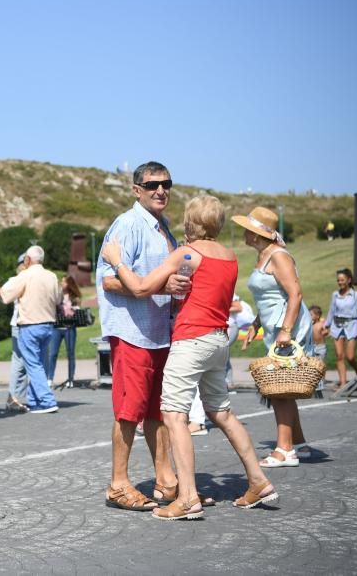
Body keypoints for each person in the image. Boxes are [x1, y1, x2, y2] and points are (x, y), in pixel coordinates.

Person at [104, 195, 278, 518]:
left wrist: (117, 261)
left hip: (191, 341)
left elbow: (141, 288)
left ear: (190, 223)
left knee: (174, 416)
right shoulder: (230, 256)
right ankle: (258, 481)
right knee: (222, 413)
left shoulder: (186, 253)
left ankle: (187, 498)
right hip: (218, 341)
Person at [95, 160, 191, 511]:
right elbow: (108, 279)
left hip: (159, 332)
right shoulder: (129, 224)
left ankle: (165, 480)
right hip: (132, 333)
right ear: (137, 191)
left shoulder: (163, 227)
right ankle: (118, 484)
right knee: (128, 411)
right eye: (152, 185)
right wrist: (160, 285)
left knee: (157, 411)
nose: (161, 190)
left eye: (166, 183)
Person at [234, 206, 314, 468]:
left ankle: (284, 450)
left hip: (287, 330)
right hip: (274, 328)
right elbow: (269, 299)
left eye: (247, 229)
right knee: (284, 387)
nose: (244, 233)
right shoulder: (265, 255)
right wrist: (255, 325)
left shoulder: (278, 256)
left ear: (257, 234)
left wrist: (286, 330)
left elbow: (295, 294)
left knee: (280, 390)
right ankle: (298, 443)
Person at [0, 245, 60, 414]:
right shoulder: (52, 276)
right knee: (40, 364)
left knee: (32, 364)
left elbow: (6, 296)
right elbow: (58, 299)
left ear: (28, 260)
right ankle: (35, 400)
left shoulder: (25, 275)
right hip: (48, 324)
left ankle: (46, 400)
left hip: (30, 324)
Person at [324, 268, 357, 387]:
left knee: (350, 356)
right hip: (337, 326)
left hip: (352, 326)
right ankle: (343, 383)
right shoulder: (335, 295)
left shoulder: (356, 295)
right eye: (338, 280)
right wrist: (326, 326)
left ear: (349, 280)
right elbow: (331, 311)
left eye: (342, 280)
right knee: (339, 356)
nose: (340, 282)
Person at [2, 254, 29, 412]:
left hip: (25, 323)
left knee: (23, 362)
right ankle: (13, 397)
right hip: (20, 323)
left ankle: (17, 396)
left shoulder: (26, 278)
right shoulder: (17, 279)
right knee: (20, 362)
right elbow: (5, 295)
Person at [49, 275, 81, 388]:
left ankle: (70, 379)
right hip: (57, 328)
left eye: (64, 282)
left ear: (69, 284)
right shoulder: (58, 295)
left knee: (70, 354)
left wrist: (73, 310)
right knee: (53, 353)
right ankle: (49, 378)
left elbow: (77, 312)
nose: (62, 284)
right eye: (61, 282)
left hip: (70, 328)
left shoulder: (74, 297)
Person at [309, 306, 330, 398]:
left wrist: (325, 331)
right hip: (313, 347)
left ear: (317, 316)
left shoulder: (321, 324)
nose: (309, 316)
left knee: (321, 365)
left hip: (321, 347)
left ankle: (322, 381)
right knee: (313, 365)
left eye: (311, 315)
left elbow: (327, 331)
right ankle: (314, 382)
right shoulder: (310, 324)